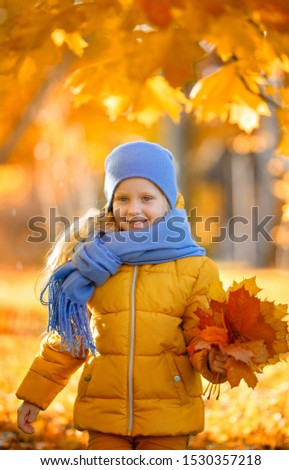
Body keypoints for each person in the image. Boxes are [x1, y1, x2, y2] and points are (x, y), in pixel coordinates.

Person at [16, 141, 228, 450]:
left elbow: (202, 335)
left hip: (167, 417)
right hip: (105, 415)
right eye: (123, 198)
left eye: (147, 198)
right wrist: (35, 395)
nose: (133, 208)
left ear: (168, 202)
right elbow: (69, 338)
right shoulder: (93, 262)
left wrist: (215, 360)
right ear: (110, 203)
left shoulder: (195, 268)